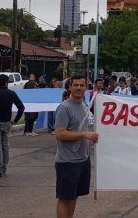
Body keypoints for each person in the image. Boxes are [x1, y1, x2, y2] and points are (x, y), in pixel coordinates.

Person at [54, 74, 99, 218]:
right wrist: (85, 135)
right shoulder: (64, 108)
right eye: (75, 85)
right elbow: (60, 134)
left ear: (86, 88)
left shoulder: (85, 106)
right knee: (65, 197)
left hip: (82, 159)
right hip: (67, 161)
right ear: (69, 87)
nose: (78, 88)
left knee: (74, 196)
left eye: (81, 85)